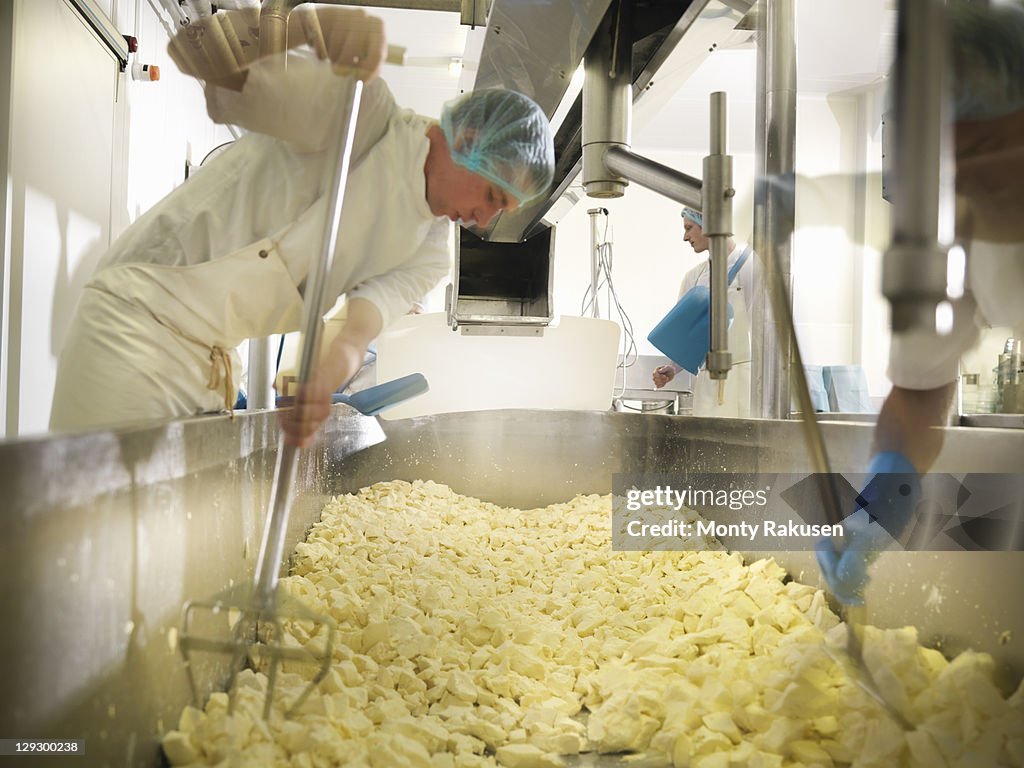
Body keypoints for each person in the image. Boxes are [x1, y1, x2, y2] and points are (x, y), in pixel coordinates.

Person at [48, 5, 555, 448]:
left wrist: (322, 381)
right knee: (84, 534)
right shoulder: (361, 112)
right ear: (466, 138)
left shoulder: (429, 249)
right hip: (136, 326)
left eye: (501, 210)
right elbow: (208, 63)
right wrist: (310, 35)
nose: (484, 220)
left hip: (211, 363)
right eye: (491, 194)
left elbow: (357, 334)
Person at [817, 0, 1024, 605]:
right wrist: (880, 506)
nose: (971, 180)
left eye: (989, 146)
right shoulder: (954, 231)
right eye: (947, 165)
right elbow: (919, 391)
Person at [651, 207, 754, 416]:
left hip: (744, 381)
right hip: (708, 384)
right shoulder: (694, 277)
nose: (685, 237)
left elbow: (767, 331)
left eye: (689, 228)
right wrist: (673, 368)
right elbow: (689, 340)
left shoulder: (751, 268)